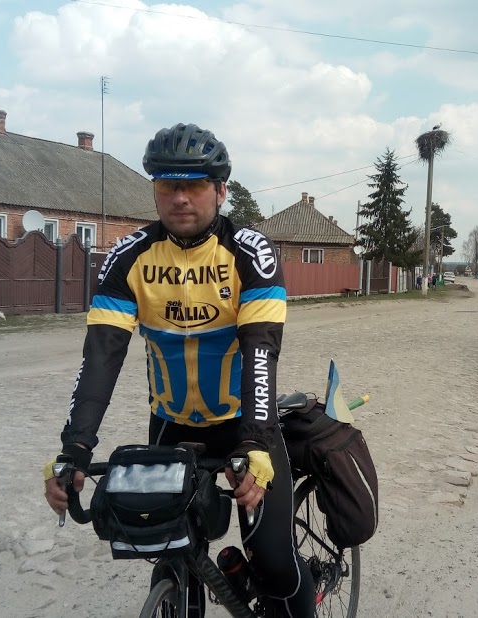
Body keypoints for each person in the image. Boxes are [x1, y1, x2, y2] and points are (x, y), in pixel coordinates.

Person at [42, 123, 314, 617]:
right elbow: (101, 357)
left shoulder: (251, 253)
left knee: (275, 562)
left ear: (221, 190)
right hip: (172, 426)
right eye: (168, 185)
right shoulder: (128, 257)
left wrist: (254, 443)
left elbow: (260, 352)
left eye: (194, 185)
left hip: (244, 424)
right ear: (155, 191)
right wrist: (75, 448)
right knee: (166, 548)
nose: (180, 197)